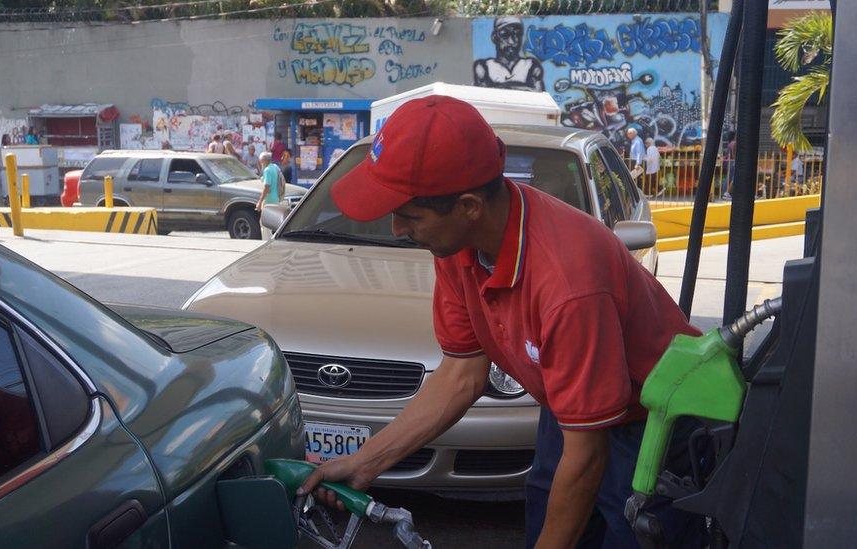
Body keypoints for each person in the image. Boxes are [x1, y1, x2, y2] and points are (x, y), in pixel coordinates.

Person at [297, 96, 706, 548]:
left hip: (656, 421)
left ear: (469, 206)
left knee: (631, 536)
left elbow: (587, 454)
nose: (396, 229)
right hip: (572, 411)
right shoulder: (460, 245)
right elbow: (460, 375)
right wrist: (366, 462)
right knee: (551, 519)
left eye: (410, 215)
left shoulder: (568, 283)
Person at [473, 16, 545, 92]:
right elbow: (483, 94)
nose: (511, 41)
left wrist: (498, 87)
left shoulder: (531, 66)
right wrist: (525, 88)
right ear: (494, 37)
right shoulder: (484, 67)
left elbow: (538, 95)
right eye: (505, 34)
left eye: (516, 34)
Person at [721, 131, 736, 200]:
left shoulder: (730, 143)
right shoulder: (733, 143)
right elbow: (733, 154)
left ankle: (724, 192)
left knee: (728, 178)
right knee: (732, 178)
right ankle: (726, 193)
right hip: (733, 162)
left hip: (729, 162)